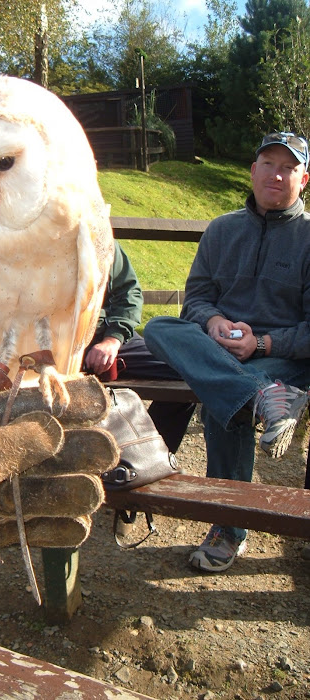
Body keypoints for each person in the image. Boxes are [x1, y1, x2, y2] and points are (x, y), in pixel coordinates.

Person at [144, 131, 310, 572]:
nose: (276, 174)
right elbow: (196, 299)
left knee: (223, 406)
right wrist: (215, 323)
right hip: (221, 349)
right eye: (268, 164)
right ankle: (259, 398)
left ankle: (227, 528)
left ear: (304, 179)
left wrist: (265, 342)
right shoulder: (222, 229)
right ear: (252, 172)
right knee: (160, 327)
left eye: (288, 167)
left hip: (283, 358)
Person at [84, 240, 196, 455]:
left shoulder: (98, 236)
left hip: (102, 334)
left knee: (186, 371)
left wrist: (113, 339)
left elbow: (128, 293)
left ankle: (151, 454)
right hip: (43, 345)